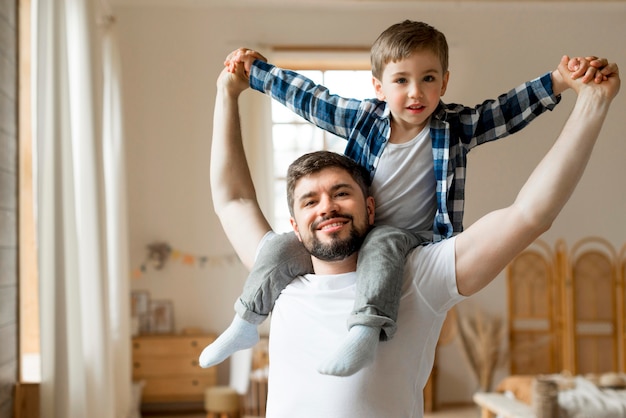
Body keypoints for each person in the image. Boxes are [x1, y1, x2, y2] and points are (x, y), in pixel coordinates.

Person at [208, 56, 619, 417]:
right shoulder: (278, 274)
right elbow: (233, 199)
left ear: (370, 207)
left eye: (341, 193)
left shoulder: (420, 275)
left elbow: (531, 214)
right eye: (309, 201)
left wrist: (592, 104)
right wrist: (228, 93)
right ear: (295, 225)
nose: (327, 207)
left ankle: (366, 330)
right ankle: (243, 321)